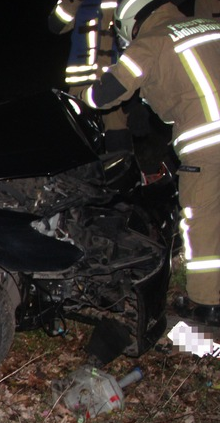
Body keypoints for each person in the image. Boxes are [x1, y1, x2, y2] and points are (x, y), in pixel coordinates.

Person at [86, 0, 220, 326]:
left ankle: (207, 304)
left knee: (201, 223)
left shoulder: (152, 41)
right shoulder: (210, 26)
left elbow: (105, 94)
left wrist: (82, 97)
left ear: (131, 22)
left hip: (208, 144)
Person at [51, 1, 134, 150]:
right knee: (74, 126)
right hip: (81, 79)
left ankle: (122, 170)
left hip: (114, 77)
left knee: (118, 130)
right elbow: (56, 25)